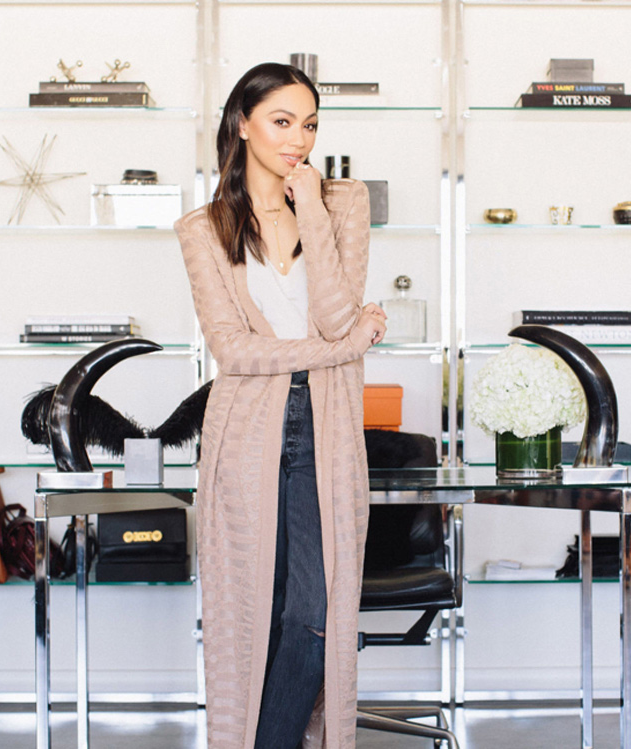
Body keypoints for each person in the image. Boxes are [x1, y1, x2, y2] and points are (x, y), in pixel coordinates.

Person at [174, 61, 386, 749]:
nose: (299, 139)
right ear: (243, 124)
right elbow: (234, 352)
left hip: (328, 428)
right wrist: (347, 347)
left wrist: (311, 204)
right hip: (247, 433)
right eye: (282, 121)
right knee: (255, 618)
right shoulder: (203, 228)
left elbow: (334, 313)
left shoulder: (343, 203)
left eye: (310, 125)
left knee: (316, 614)